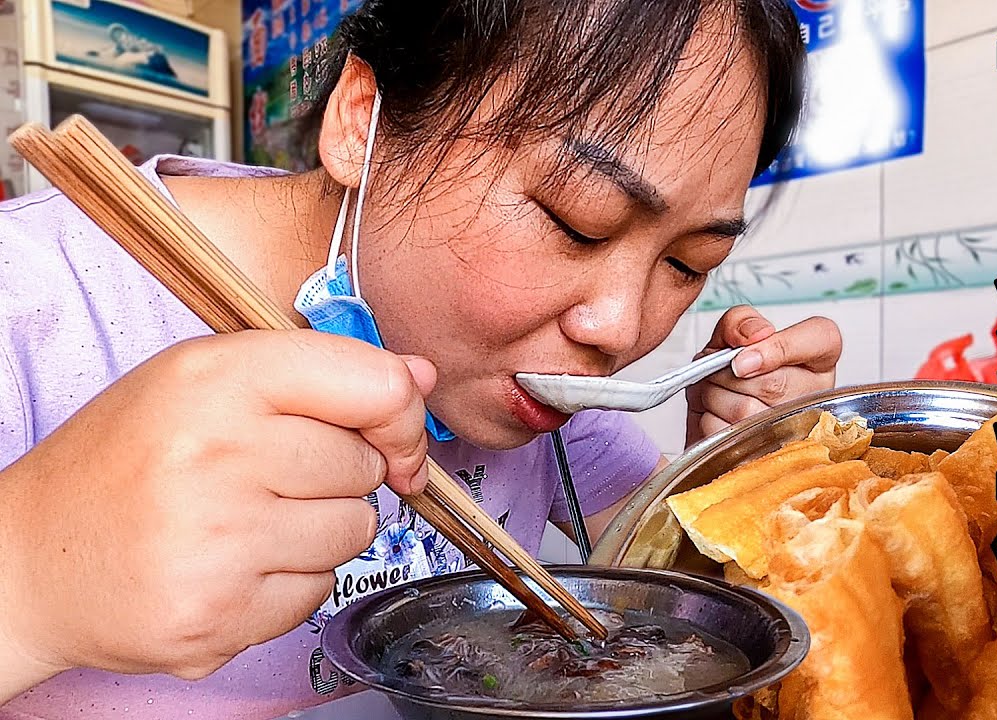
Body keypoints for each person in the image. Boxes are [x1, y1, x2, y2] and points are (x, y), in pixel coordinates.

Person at [0, 1, 839, 717]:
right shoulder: (31, 298)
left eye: (687, 264)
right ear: (363, 118)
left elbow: (659, 603)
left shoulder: (533, 401)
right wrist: (31, 578)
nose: (621, 329)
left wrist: (741, 476)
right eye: (575, 221)